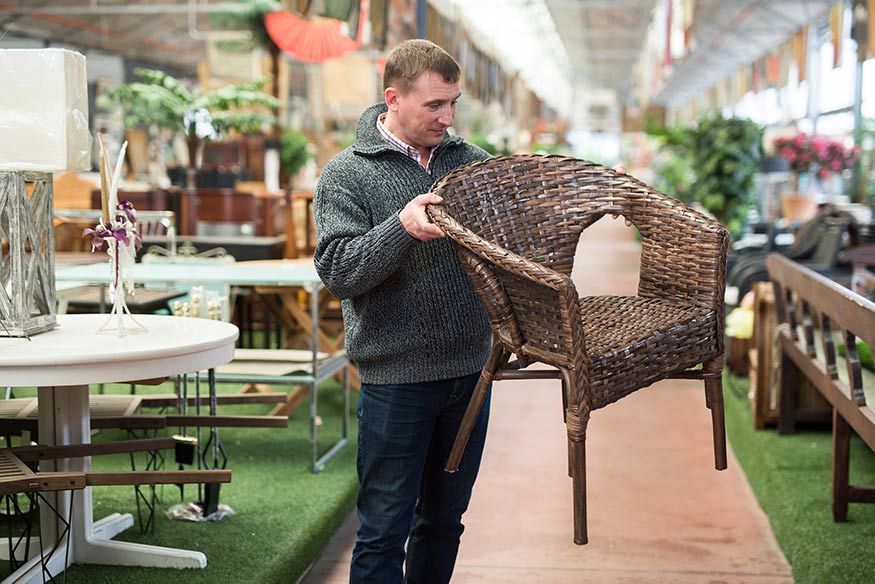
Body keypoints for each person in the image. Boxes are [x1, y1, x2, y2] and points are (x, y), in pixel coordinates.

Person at [313, 39, 493, 584]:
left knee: (443, 520)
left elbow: (512, 246)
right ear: (393, 98)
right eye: (434, 105)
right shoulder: (347, 175)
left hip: (469, 374)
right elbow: (340, 271)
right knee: (384, 527)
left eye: (453, 103)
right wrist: (402, 228)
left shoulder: (471, 164)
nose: (448, 117)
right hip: (397, 379)